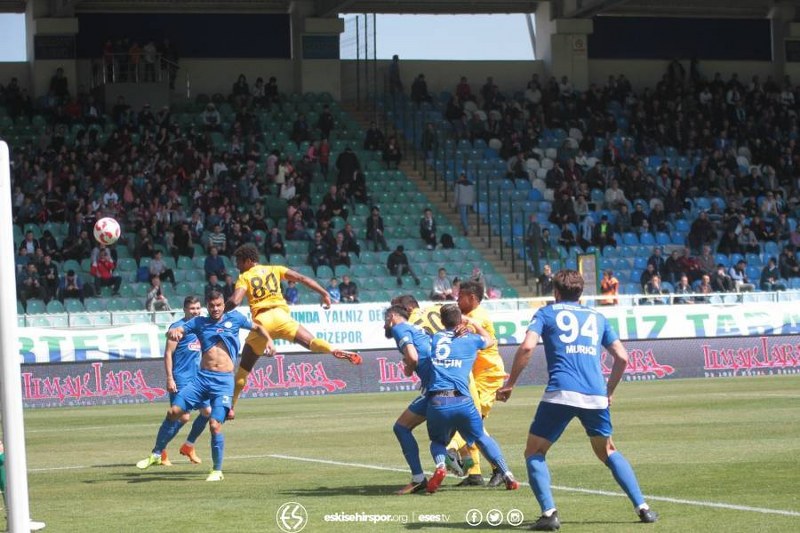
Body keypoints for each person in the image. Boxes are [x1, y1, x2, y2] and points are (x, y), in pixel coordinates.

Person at [497, 269, 658, 530]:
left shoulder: (546, 313)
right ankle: (644, 508)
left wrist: (511, 383)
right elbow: (623, 357)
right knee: (607, 451)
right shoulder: (598, 317)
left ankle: (549, 514)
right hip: (595, 394)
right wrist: (609, 391)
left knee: (535, 451)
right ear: (580, 292)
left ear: (556, 292)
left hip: (561, 392)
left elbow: (527, 347)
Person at [137, 290, 276, 481]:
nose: (216, 308)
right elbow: (181, 329)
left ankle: (217, 470)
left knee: (214, 424)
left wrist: (269, 340)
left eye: (219, 305)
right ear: (207, 306)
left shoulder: (234, 319)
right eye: (212, 306)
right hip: (201, 379)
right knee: (173, 412)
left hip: (224, 382)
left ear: (223, 304)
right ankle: (156, 453)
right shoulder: (199, 322)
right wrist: (176, 331)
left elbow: (258, 328)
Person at [226, 245, 362, 419]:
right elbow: (301, 278)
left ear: (248, 261)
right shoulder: (275, 269)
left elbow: (235, 300)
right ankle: (332, 349)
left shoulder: (244, 277)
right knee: (312, 342)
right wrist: (324, 293)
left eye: (239, 262)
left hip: (262, 322)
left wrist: (220, 311)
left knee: (243, 370)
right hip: (282, 317)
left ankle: (230, 408)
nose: (237, 266)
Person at [416, 304, 519, 493]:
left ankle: (440, 467)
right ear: (461, 320)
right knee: (480, 437)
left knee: (438, 443)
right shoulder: (471, 340)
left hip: (437, 401)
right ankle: (507, 473)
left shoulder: (436, 338)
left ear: (441, 321)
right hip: (462, 401)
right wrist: (472, 323)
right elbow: (489, 340)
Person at [446, 280, 507, 487]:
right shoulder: (469, 318)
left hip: (488, 376)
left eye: (460, 296)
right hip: (473, 376)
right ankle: (474, 473)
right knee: (470, 424)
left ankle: (499, 469)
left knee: (472, 422)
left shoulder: (477, 317)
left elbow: (463, 329)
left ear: (472, 298)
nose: (457, 299)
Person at [153, 296, 209, 466]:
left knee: (208, 411)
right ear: (185, 309)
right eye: (192, 308)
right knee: (182, 417)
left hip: (198, 379)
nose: (196, 311)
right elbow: (168, 353)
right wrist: (170, 378)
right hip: (182, 378)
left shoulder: (202, 326)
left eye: (198, 308)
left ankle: (188, 446)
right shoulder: (177, 328)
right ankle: (160, 449)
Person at [0, 440, 46, 531]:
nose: (2, 445)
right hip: (8, 485)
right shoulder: (3, 457)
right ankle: (21, 522)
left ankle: (13, 524)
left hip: (9, 484)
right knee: (14, 501)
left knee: (12, 503)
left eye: (1, 443)